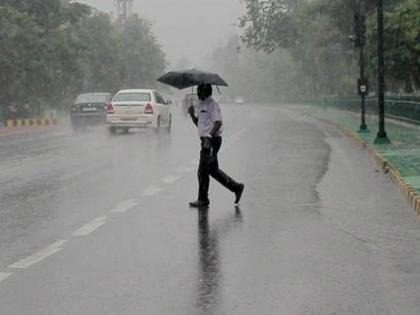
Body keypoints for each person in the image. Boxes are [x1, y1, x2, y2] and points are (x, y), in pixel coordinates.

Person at [188, 84, 244, 208]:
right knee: (212, 170)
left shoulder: (213, 105)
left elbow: (218, 122)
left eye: (199, 90)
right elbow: (201, 125)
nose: (197, 92)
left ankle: (203, 199)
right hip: (206, 140)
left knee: (203, 170)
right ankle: (236, 187)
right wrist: (192, 115)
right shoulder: (203, 105)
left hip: (211, 141)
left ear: (205, 91)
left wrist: (209, 136)